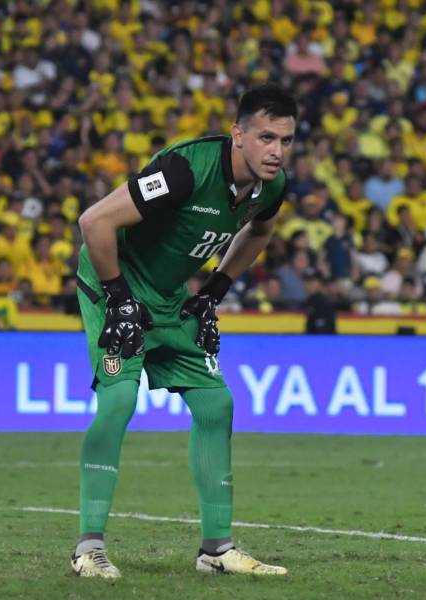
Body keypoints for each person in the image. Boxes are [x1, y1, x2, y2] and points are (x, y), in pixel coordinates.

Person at [71, 84, 295, 578]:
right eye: (265, 137)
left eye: (286, 140)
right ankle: (89, 548)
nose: (276, 151)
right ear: (238, 135)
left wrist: (215, 290)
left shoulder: (271, 188)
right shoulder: (185, 170)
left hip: (170, 299)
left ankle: (216, 550)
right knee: (119, 400)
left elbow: (259, 230)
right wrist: (119, 298)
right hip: (114, 285)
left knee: (216, 403)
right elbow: (95, 223)